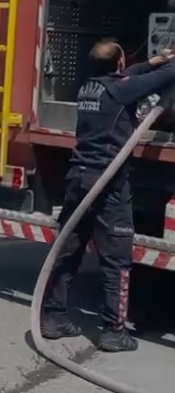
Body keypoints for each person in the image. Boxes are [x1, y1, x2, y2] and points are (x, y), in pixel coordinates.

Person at [41, 39, 175, 352]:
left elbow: (135, 75)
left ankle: (53, 317)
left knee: (68, 251)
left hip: (78, 179)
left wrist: (158, 58)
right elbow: (160, 80)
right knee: (117, 260)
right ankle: (115, 330)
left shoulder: (90, 87)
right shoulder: (121, 90)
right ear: (118, 65)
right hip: (107, 184)